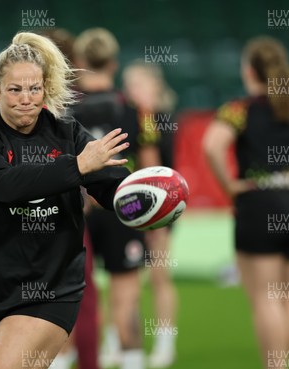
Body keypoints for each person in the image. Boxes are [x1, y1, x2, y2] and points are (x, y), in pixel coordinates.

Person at [0, 31, 131, 369]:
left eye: (34, 88)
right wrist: (76, 166)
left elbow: (109, 187)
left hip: (49, 288)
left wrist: (142, 199)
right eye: (14, 89)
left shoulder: (67, 133)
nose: (26, 99)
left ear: (45, 88)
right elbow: (8, 186)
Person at [203, 36, 289, 369]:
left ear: (251, 71)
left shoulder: (240, 111)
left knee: (266, 298)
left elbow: (212, 146)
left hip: (259, 204)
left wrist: (230, 186)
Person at [68, 28, 150, 369]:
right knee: (126, 299)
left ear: (80, 63)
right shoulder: (134, 109)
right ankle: (132, 362)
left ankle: (68, 360)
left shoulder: (65, 109)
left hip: (78, 213)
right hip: (124, 209)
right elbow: (150, 168)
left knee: (73, 300)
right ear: (114, 63)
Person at [123, 61, 179, 368]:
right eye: (129, 86)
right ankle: (118, 338)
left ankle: (165, 341)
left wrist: (160, 214)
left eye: (139, 85)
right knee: (126, 278)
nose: (133, 92)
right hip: (130, 208)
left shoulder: (163, 121)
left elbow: (166, 172)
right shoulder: (130, 119)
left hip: (159, 210)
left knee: (159, 276)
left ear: (156, 87)